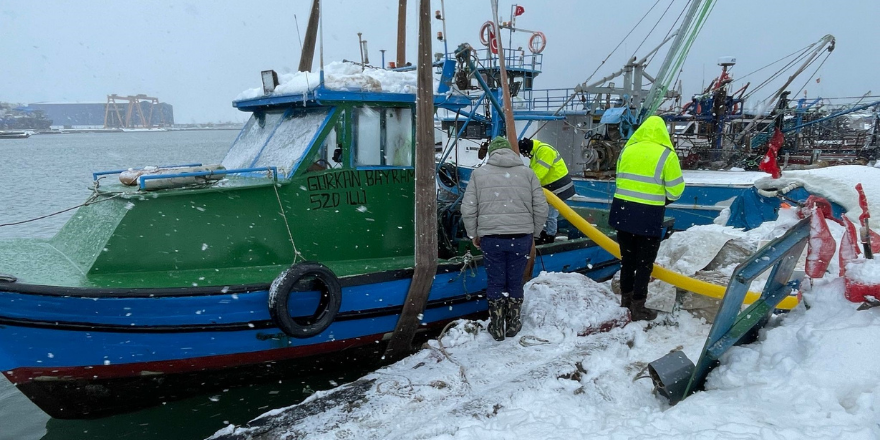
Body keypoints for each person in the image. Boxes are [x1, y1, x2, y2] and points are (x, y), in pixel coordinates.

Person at [461, 136, 548, 341]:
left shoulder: (478, 175)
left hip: (491, 238)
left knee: (496, 281)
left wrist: (474, 233)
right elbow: (541, 207)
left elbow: (468, 208)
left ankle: (497, 325)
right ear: (510, 152)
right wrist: (533, 232)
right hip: (521, 237)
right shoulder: (528, 173)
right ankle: (513, 324)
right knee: (515, 280)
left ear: (492, 153)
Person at [608, 115, 685, 321]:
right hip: (648, 214)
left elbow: (619, 178)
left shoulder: (628, 149)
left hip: (623, 212)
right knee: (644, 263)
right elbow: (676, 190)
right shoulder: (666, 154)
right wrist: (662, 198)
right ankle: (638, 306)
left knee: (628, 260)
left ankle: (625, 300)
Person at [517, 138, 576, 244]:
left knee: (550, 214)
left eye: (523, 154)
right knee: (545, 211)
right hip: (551, 188)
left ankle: (550, 236)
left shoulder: (544, 151)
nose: (525, 156)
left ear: (526, 150)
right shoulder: (537, 152)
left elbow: (538, 175)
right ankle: (545, 232)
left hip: (559, 187)